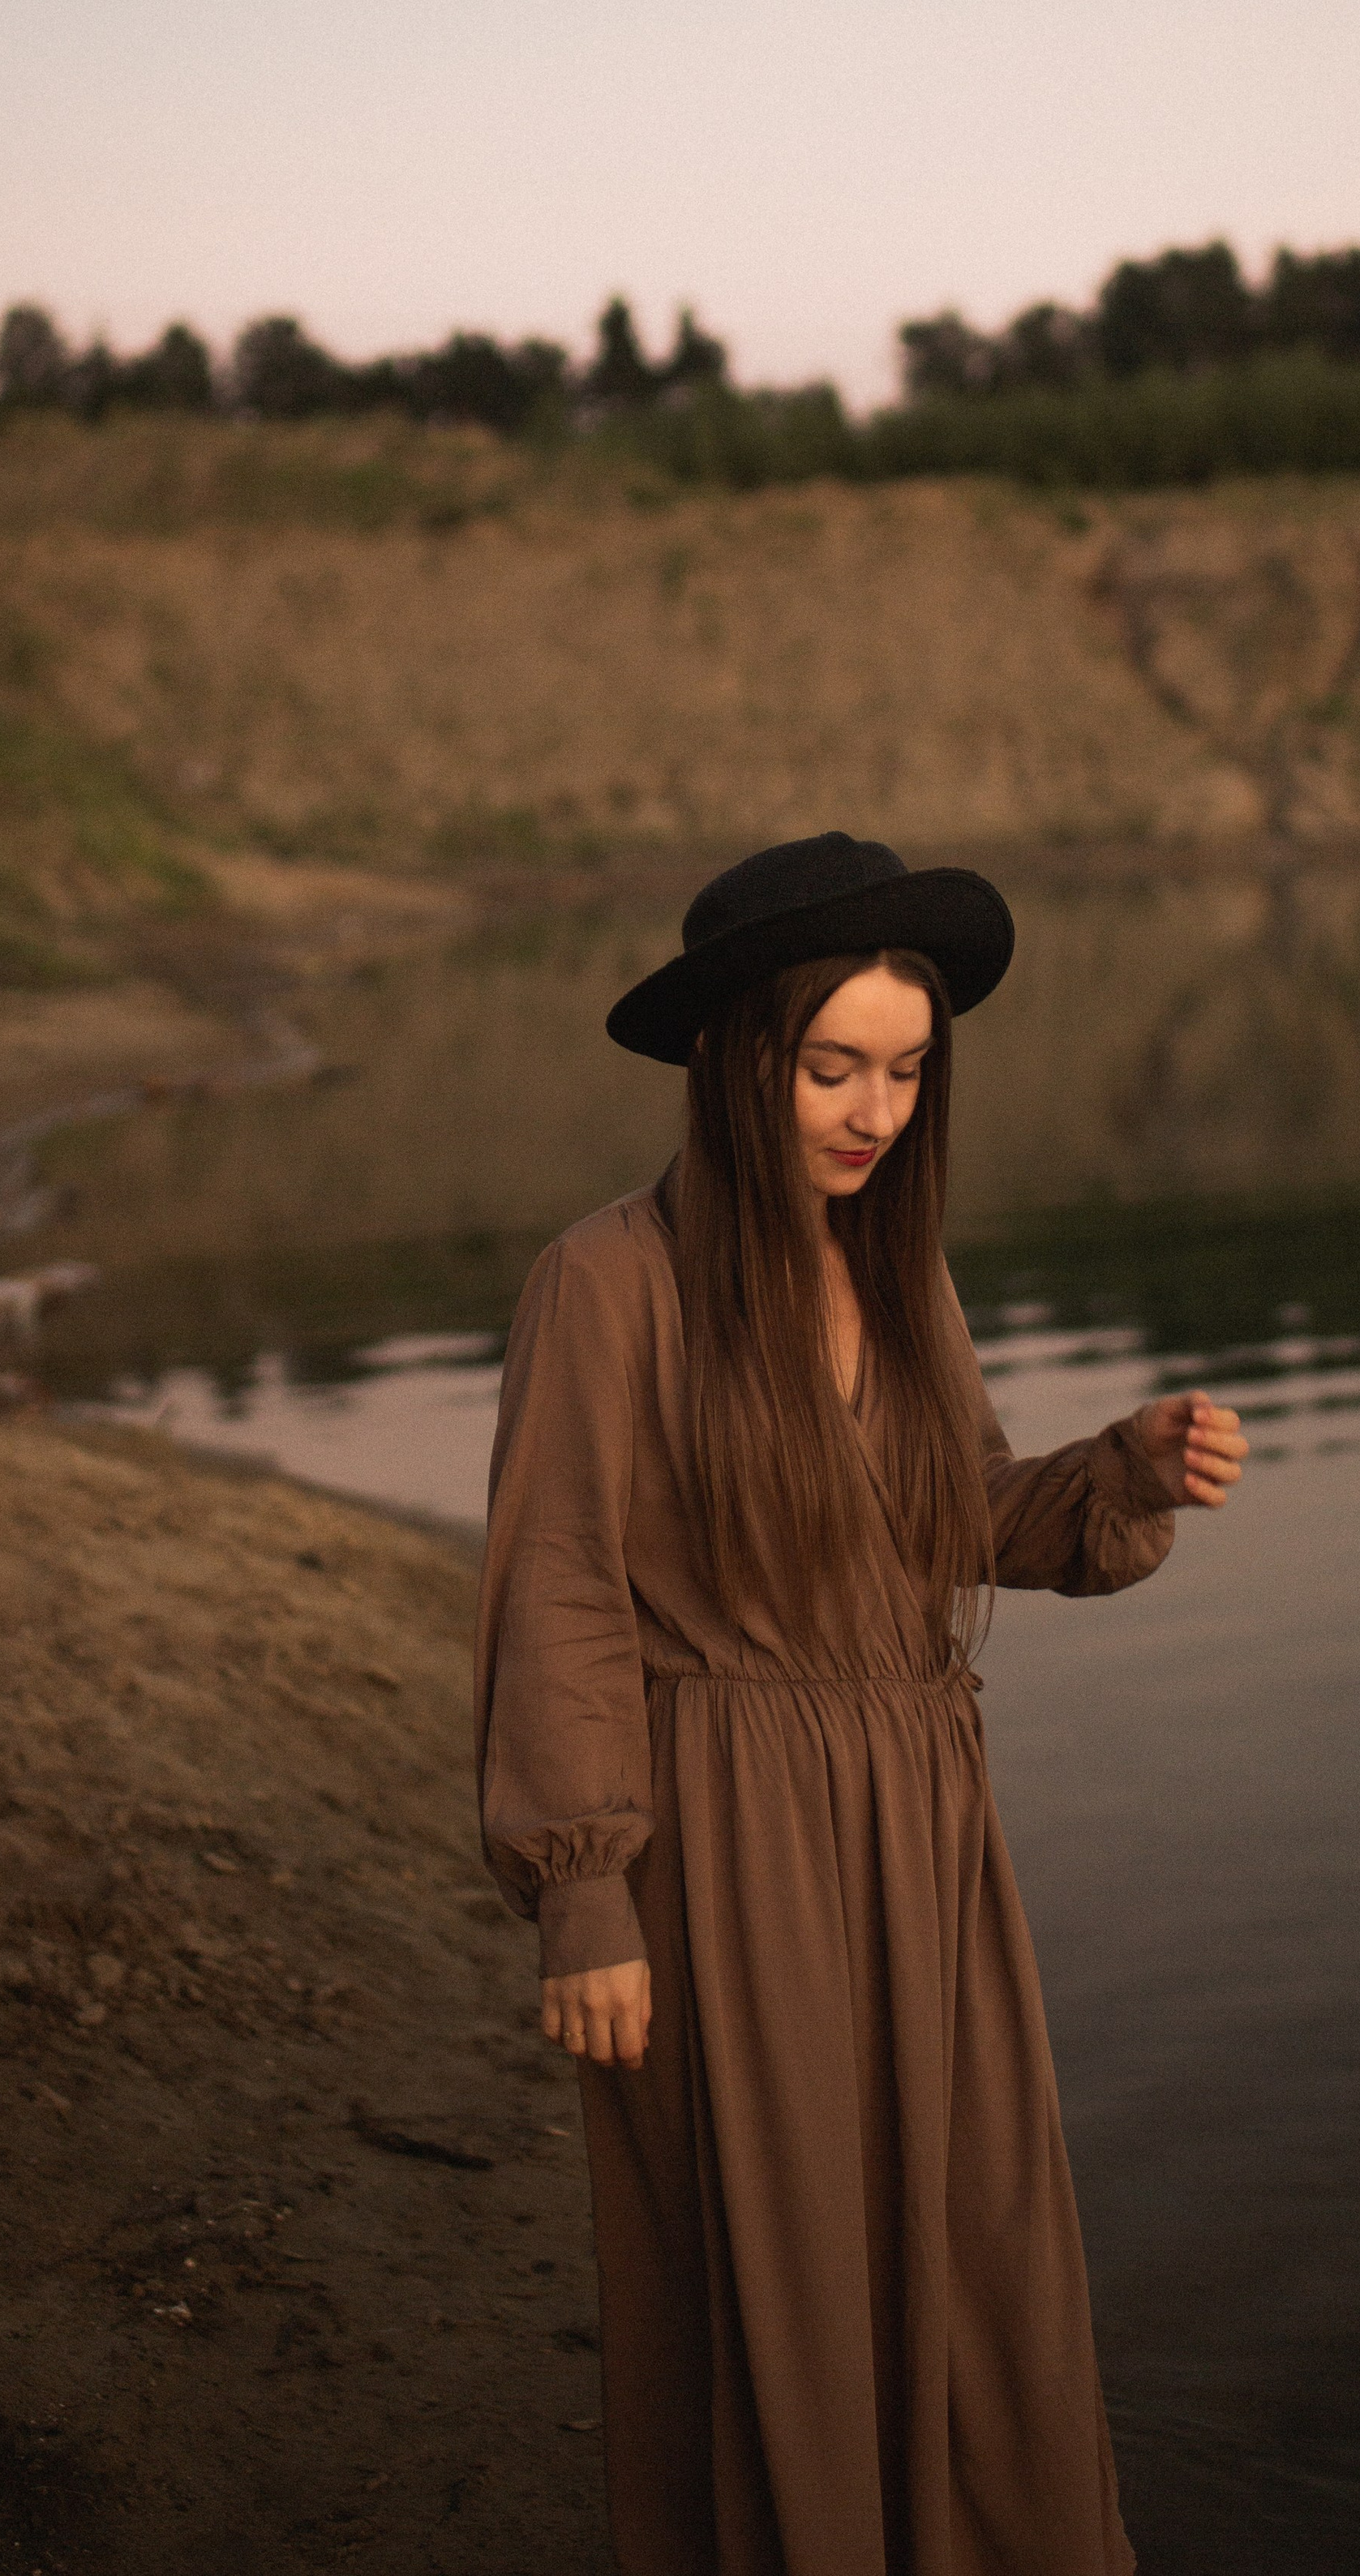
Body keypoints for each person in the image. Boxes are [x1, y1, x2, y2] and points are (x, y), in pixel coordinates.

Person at [474, 832, 1247, 2576]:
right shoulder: (606, 1282)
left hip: (920, 1818)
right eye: (833, 1067)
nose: (871, 1111)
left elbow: (957, 1520)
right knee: (784, 2279)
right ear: (732, 1055)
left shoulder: (894, 1274)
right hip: (726, 1833)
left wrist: (1118, 1470)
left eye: (903, 1072)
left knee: (972, 2249)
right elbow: (560, 1585)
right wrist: (582, 1885)